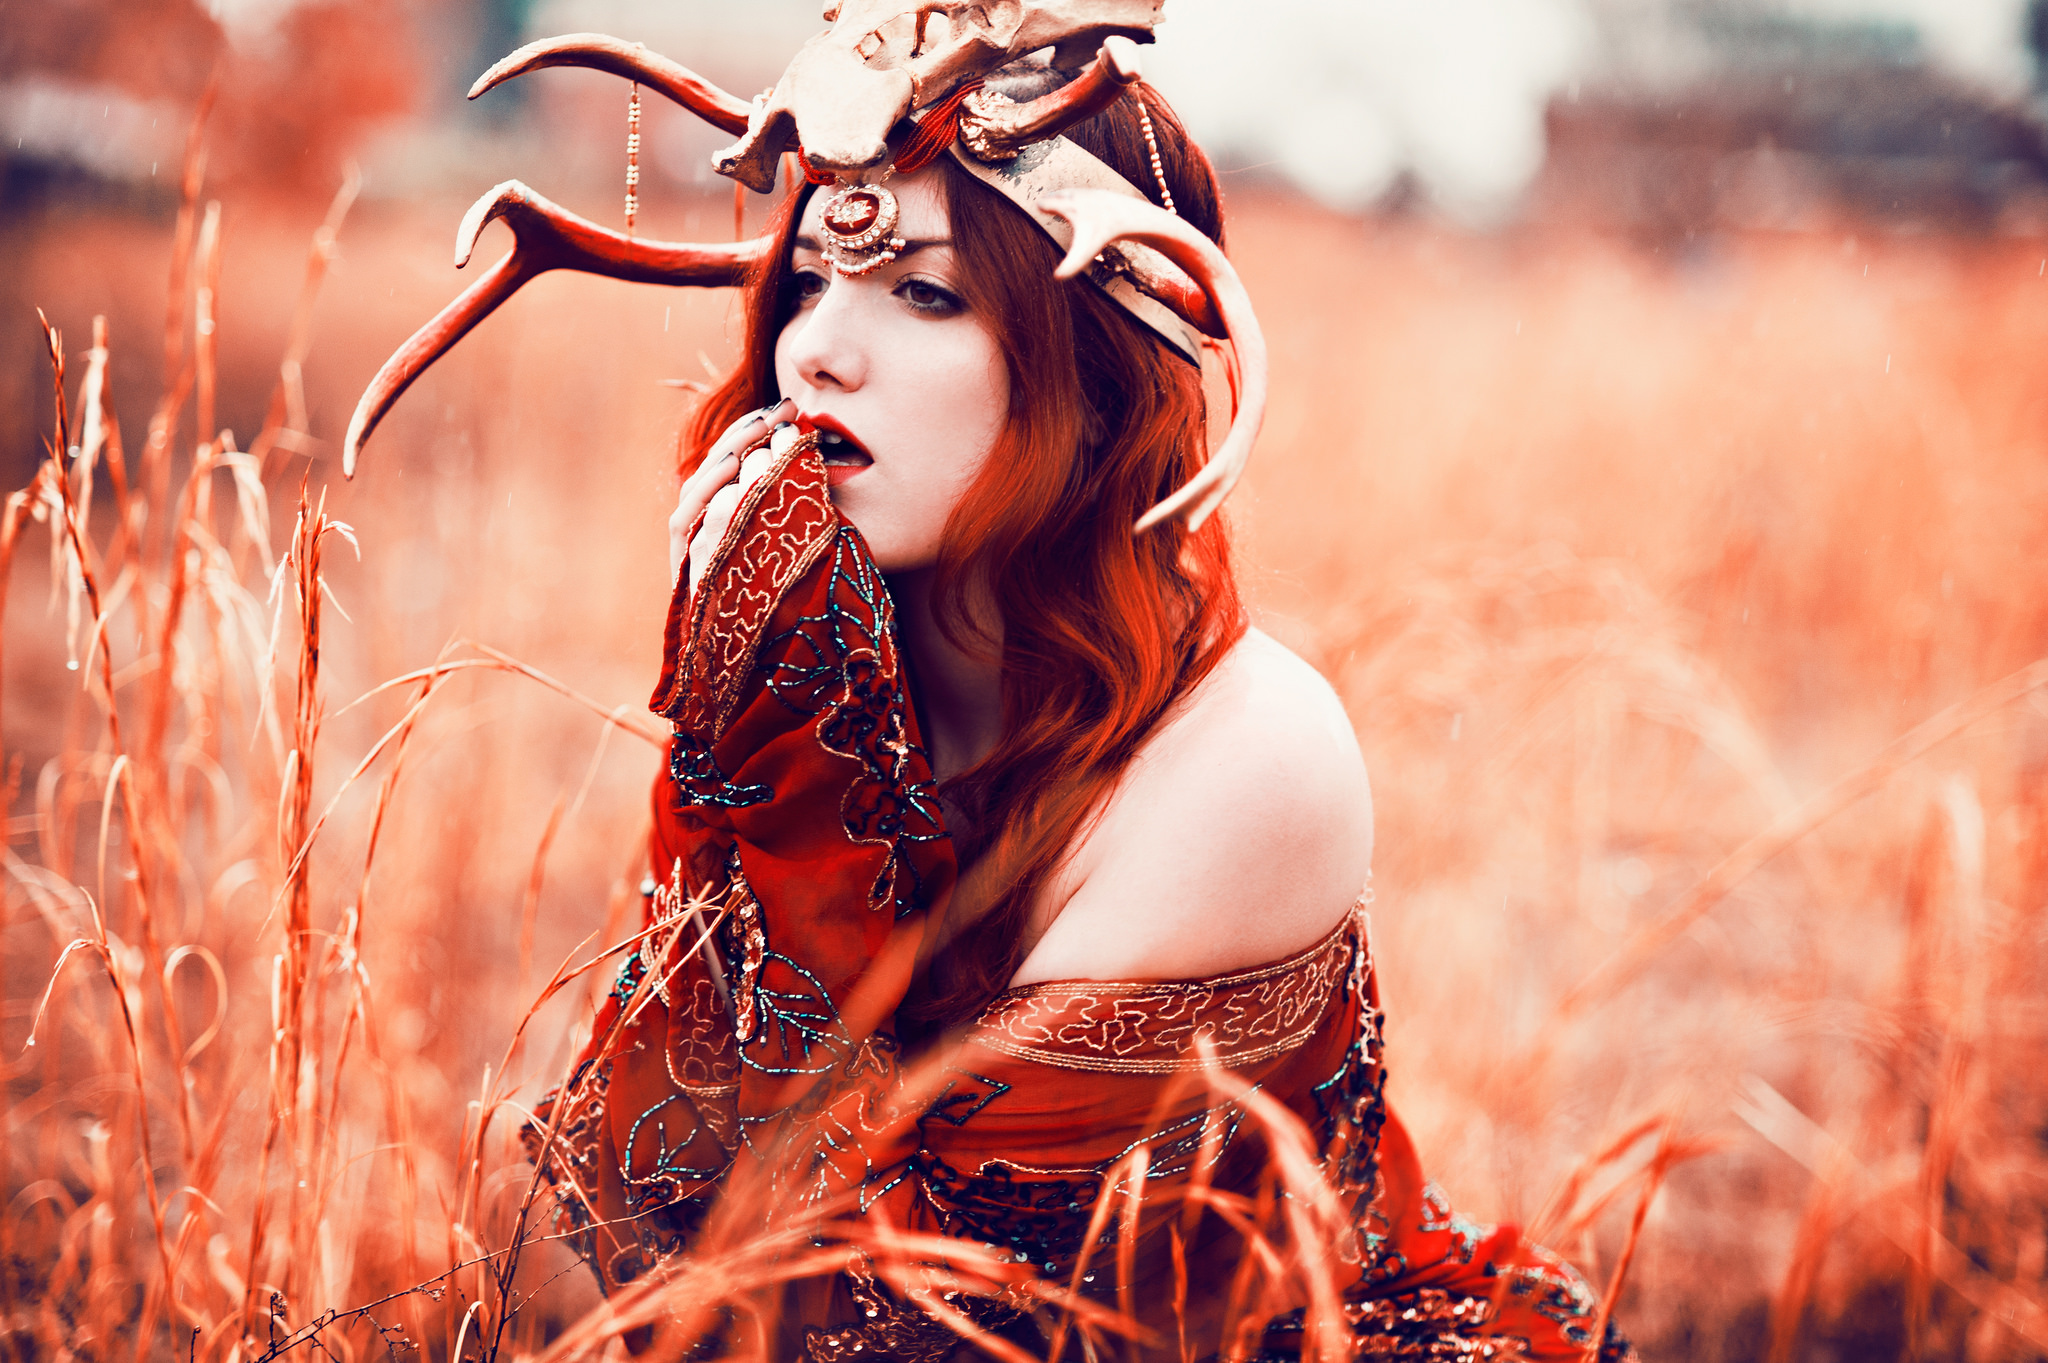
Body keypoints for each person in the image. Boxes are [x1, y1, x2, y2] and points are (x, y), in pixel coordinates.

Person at [346, 15, 1639, 1360]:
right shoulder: (839, 680)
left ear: (1093, 371)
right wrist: (735, 722)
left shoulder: (1248, 761)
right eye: (809, 280)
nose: (816, 351)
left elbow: (898, 1321)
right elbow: (655, 1212)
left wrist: (775, 771)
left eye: (925, 294)